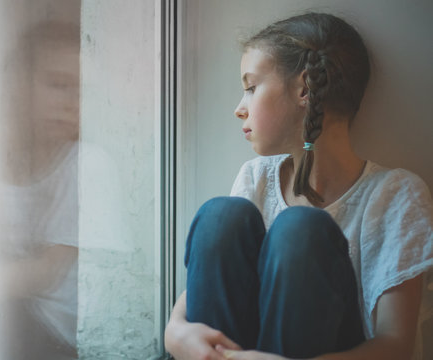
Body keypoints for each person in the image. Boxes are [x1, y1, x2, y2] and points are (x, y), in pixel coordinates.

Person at [164, 12, 433, 360]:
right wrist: (176, 332)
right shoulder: (255, 177)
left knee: (300, 229)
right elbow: (200, 292)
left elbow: (396, 345)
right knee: (220, 215)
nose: (238, 109)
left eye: (250, 87)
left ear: (304, 88)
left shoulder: (395, 195)